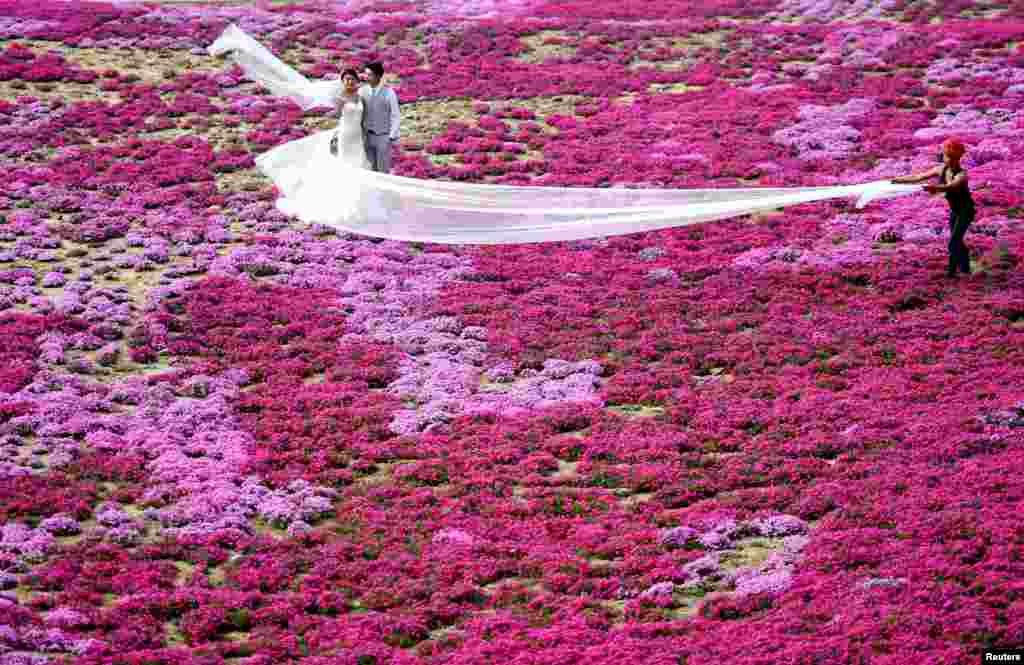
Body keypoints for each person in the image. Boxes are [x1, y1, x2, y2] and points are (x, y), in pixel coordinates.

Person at [891, 137, 977, 277]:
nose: (946, 158)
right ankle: (965, 267)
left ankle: (952, 273)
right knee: (957, 240)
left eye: (949, 157)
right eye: (946, 156)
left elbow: (951, 186)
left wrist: (935, 188)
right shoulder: (940, 169)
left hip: (966, 211)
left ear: (957, 158)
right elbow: (918, 177)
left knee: (953, 242)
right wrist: (896, 180)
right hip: (955, 210)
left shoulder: (962, 175)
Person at [359, 62, 400, 173]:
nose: (366, 77)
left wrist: (391, 136)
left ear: (378, 76)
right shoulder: (362, 91)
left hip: (383, 136)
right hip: (367, 136)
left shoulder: (389, 92)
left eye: (369, 75)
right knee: (370, 169)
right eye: (365, 74)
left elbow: (395, 115)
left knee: (383, 169)